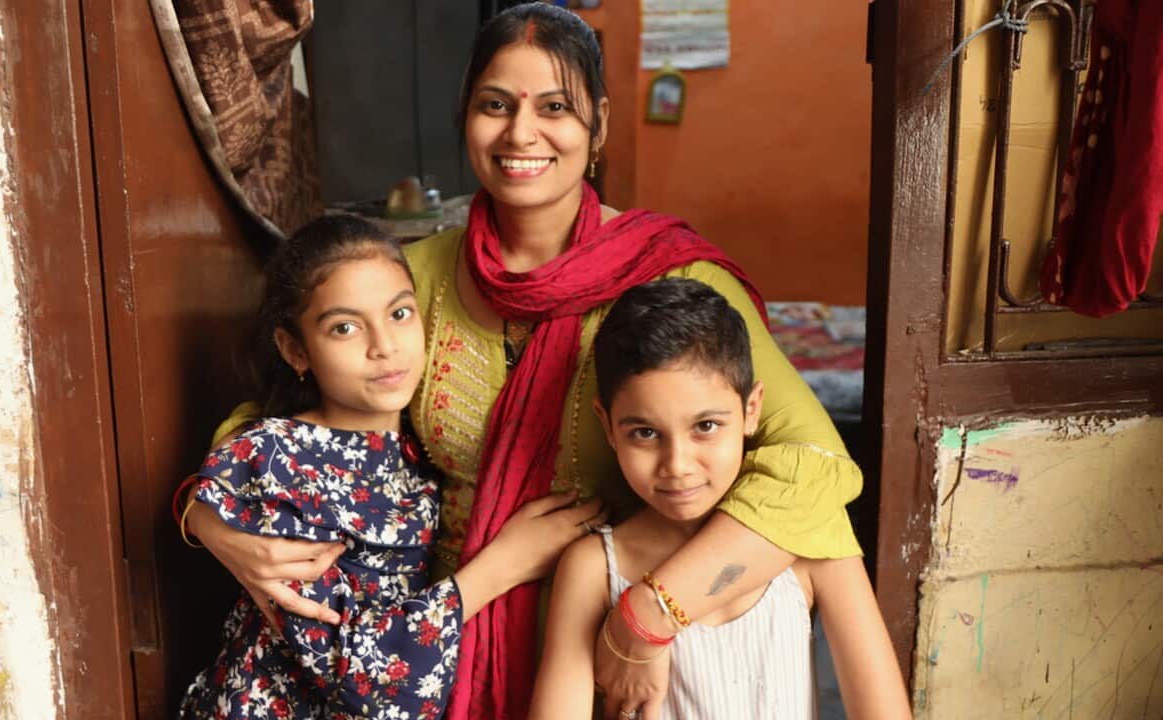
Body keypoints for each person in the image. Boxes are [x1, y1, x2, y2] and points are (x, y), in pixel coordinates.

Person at [185, 5, 865, 718]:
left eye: (555, 107)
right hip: (434, 660)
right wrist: (210, 519)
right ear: (466, 117)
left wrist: (651, 614)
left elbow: (814, 463)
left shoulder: (671, 278)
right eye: (495, 105)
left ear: (598, 124)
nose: (521, 133)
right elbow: (273, 418)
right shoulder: (409, 282)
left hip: (606, 654)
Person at [177, 215, 605, 719]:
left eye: (400, 314)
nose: (383, 346)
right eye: (345, 327)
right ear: (296, 349)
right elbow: (360, 676)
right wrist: (504, 565)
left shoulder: (417, 448)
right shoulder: (281, 463)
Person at [529, 279, 909, 720]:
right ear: (608, 426)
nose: (678, 464)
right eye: (645, 433)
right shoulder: (594, 567)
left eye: (705, 426)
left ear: (751, 411)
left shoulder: (809, 541)